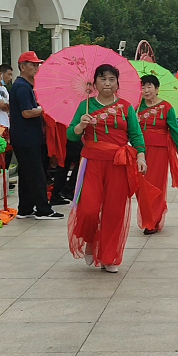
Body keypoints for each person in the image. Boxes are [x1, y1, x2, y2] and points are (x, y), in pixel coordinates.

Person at [67, 64, 146, 273]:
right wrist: (81, 126)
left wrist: (141, 156)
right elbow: (71, 135)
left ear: (118, 83)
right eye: (103, 79)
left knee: (114, 212)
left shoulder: (126, 107)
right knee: (89, 209)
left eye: (112, 79)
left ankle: (109, 256)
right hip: (91, 162)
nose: (107, 83)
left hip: (118, 163)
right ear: (94, 83)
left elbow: (136, 135)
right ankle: (91, 241)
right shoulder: (86, 106)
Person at [9, 51, 62, 220]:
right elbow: (26, 112)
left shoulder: (25, 85)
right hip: (26, 138)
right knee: (37, 174)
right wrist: (44, 109)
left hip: (25, 137)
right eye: (33, 64)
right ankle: (43, 209)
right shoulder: (22, 87)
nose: (36, 67)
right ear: (22, 67)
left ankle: (25, 209)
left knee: (26, 175)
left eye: (37, 64)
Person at [138, 74, 178, 235]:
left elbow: (174, 130)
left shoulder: (166, 107)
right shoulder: (137, 107)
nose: (146, 90)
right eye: (143, 87)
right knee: (141, 187)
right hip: (140, 151)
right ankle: (148, 216)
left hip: (160, 150)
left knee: (155, 185)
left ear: (157, 89)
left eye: (149, 86)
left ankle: (152, 221)